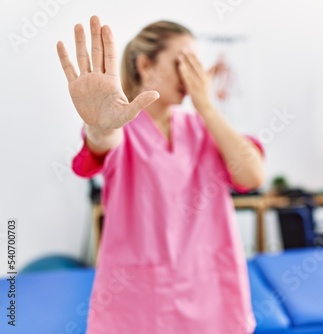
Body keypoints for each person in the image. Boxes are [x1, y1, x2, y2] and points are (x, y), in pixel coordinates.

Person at [56, 15, 264, 334]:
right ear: (145, 66)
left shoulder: (203, 130)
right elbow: (102, 143)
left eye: (196, 63)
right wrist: (100, 126)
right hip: (137, 304)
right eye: (183, 61)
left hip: (210, 298)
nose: (193, 73)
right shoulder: (123, 130)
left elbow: (252, 176)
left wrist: (206, 106)